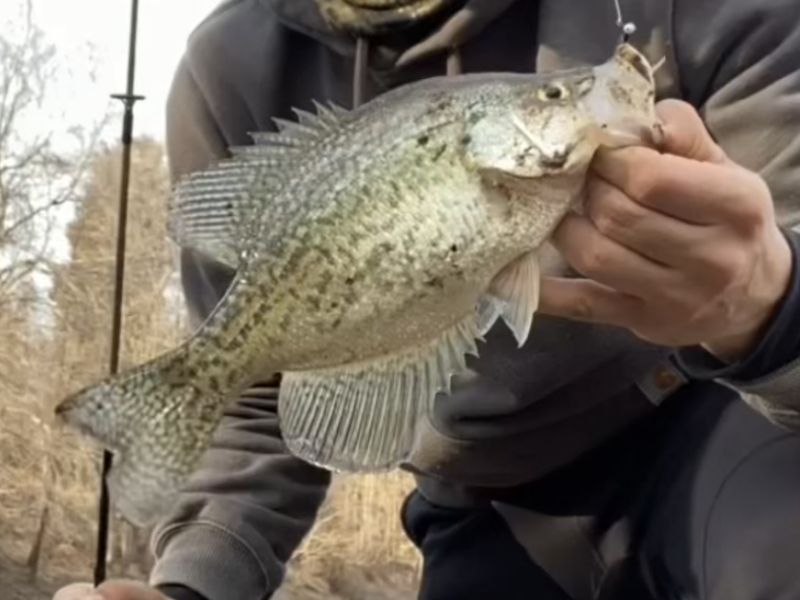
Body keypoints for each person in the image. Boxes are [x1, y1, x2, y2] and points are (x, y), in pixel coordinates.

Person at [54, 1, 800, 599]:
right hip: (480, 507)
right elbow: (258, 403)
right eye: (556, 98)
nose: (576, 99)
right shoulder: (229, 66)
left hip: (716, 433)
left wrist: (769, 304)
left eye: (557, 97)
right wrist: (192, 584)